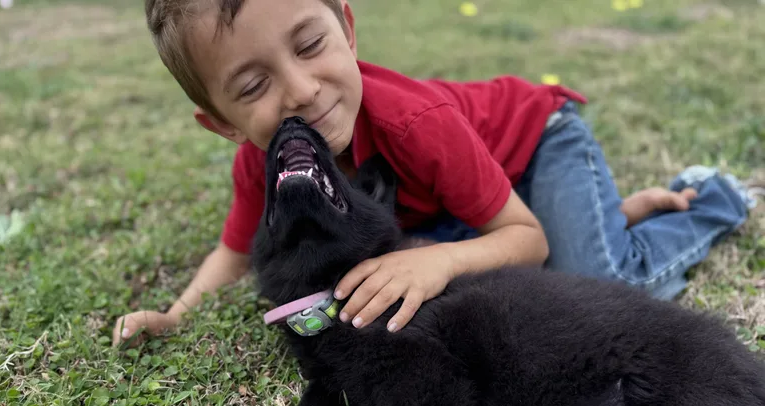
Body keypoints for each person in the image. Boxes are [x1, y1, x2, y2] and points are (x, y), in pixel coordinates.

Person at [113, 0, 759, 347]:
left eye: (310, 45)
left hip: (539, 142)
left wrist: (437, 263)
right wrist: (177, 315)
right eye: (253, 85)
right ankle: (614, 214)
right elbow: (235, 249)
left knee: (590, 282)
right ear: (223, 122)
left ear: (348, 28)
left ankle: (714, 199)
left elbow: (524, 239)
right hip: (477, 198)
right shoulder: (269, 163)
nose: (304, 90)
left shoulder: (412, 121)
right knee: (433, 264)